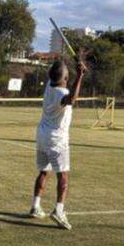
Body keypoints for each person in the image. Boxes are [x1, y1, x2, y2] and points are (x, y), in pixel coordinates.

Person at [30, 53, 87, 230]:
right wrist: (80, 75)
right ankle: (59, 211)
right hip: (56, 140)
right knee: (63, 176)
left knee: (43, 171)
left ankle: (35, 206)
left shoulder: (49, 86)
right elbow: (72, 99)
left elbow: (59, 75)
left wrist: (75, 69)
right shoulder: (62, 93)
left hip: (42, 135)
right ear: (65, 78)